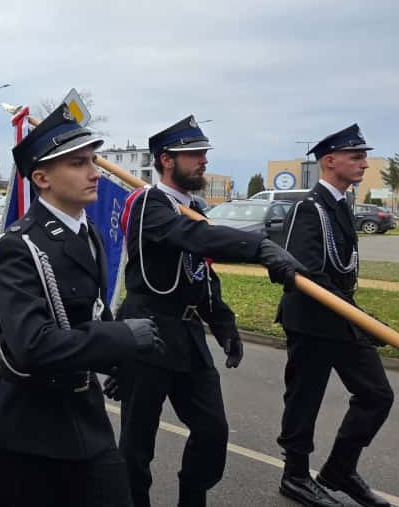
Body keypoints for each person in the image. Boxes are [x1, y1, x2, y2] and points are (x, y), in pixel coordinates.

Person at [0, 104, 165, 506]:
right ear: (41, 178)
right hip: (26, 424)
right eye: (78, 163)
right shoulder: (22, 244)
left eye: (93, 161)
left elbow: (89, 313)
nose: (95, 172)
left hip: (82, 411)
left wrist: (119, 359)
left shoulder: (88, 232)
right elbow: (32, 344)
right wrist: (119, 338)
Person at [108, 116, 305, 507]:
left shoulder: (194, 208)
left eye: (203, 154)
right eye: (194, 154)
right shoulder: (151, 204)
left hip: (188, 338)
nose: (203, 161)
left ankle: (192, 498)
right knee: (136, 445)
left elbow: (201, 274)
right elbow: (193, 239)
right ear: (166, 160)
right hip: (148, 335)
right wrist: (259, 247)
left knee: (212, 432)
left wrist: (225, 324)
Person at [275, 125, 394, 507]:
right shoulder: (308, 209)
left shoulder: (341, 205)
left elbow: (343, 270)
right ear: (329, 161)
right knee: (304, 401)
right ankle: (294, 476)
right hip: (311, 322)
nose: (363, 163)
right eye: (356, 156)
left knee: (376, 394)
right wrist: (363, 320)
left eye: (364, 156)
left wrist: (359, 318)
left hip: (341, 320)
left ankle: (339, 469)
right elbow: (307, 273)